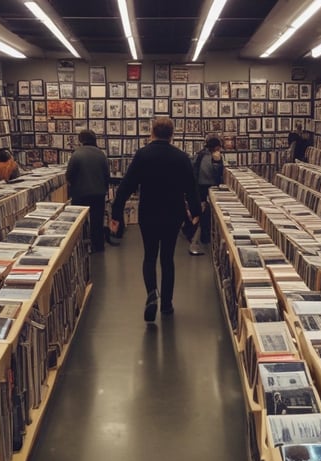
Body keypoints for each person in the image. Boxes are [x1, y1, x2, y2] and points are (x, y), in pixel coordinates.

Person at [110, 116, 200, 323]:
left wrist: (116, 213)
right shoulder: (181, 157)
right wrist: (195, 212)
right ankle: (167, 305)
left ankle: (152, 293)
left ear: (152, 132)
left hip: (148, 213)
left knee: (150, 256)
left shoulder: (143, 155)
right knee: (168, 259)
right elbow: (191, 187)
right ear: (172, 134)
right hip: (173, 213)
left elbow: (126, 185)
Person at [66, 129, 111, 253]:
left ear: (81, 140)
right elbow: (107, 175)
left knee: (80, 222)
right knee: (97, 221)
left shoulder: (77, 154)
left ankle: (81, 247)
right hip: (98, 193)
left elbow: (69, 175)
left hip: (80, 194)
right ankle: (98, 246)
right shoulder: (101, 154)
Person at [186, 136, 224, 256]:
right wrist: (218, 163)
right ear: (216, 147)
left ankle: (197, 236)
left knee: (200, 213)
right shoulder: (211, 157)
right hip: (207, 188)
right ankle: (197, 239)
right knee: (205, 215)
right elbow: (213, 174)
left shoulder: (199, 155)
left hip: (197, 188)